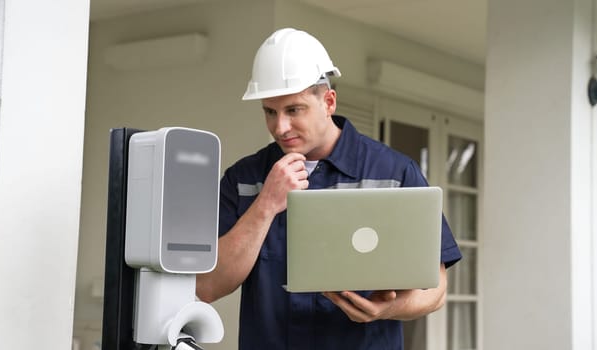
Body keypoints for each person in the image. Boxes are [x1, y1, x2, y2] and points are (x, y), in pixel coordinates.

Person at [196, 27, 462, 349]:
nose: (280, 127)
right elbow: (206, 286)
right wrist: (266, 204)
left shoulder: (394, 172)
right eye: (270, 111)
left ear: (329, 102)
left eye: (294, 110)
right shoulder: (244, 179)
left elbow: (435, 290)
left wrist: (387, 309)